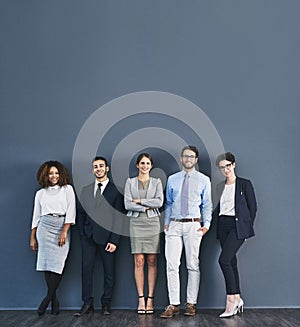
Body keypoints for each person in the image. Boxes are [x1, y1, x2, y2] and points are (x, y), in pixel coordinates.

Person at [160, 146, 212, 318]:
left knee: (192, 264)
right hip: (174, 225)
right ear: (181, 159)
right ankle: (173, 304)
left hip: (193, 225)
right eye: (185, 156)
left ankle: (191, 303)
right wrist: (166, 224)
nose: (188, 159)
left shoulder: (204, 180)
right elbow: (167, 202)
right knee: (172, 265)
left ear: (196, 159)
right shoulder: (173, 179)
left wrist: (206, 225)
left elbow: (206, 204)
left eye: (191, 156)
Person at [75, 156, 124, 316]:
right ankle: (87, 303)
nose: (98, 169)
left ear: (107, 168)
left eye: (101, 166)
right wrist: (83, 234)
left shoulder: (116, 191)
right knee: (86, 270)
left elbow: (119, 218)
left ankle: (106, 304)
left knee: (109, 272)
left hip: (108, 239)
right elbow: (81, 215)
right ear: (92, 170)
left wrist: (114, 240)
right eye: (95, 167)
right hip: (88, 237)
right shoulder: (86, 189)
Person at [30, 161, 76, 316]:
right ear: (46, 175)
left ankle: (47, 299)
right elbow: (36, 216)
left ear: (61, 174)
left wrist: (64, 231)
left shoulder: (67, 189)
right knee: (47, 264)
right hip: (44, 227)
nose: (54, 176)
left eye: (56, 173)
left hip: (62, 225)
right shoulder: (40, 193)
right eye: (51, 173)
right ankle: (54, 301)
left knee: (58, 264)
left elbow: (71, 211)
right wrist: (32, 237)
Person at [214, 152, 257, 318]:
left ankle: (231, 301)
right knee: (231, 261)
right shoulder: (219, 186)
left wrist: (246, 229)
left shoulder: (244, 184)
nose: (225, 170)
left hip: (237, 226)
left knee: (223, 260)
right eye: (222, 167)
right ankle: (238, 297)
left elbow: (253, 208)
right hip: (223, 225)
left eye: (227, 166)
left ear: (233, 165)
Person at [124, 153, 164, 314]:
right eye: (142, 163)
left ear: (151, 166)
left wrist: (139, 201)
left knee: (152, 261)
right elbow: (127, 204)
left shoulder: (157, 182)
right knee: (139, 261)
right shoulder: (130, 182)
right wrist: (147, 205)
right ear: (137, 165)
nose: (145, 166)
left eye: (148, 163)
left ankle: (151, 299)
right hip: (136, 223)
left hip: (153, 224)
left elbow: (159, 202)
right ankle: (141, 299)